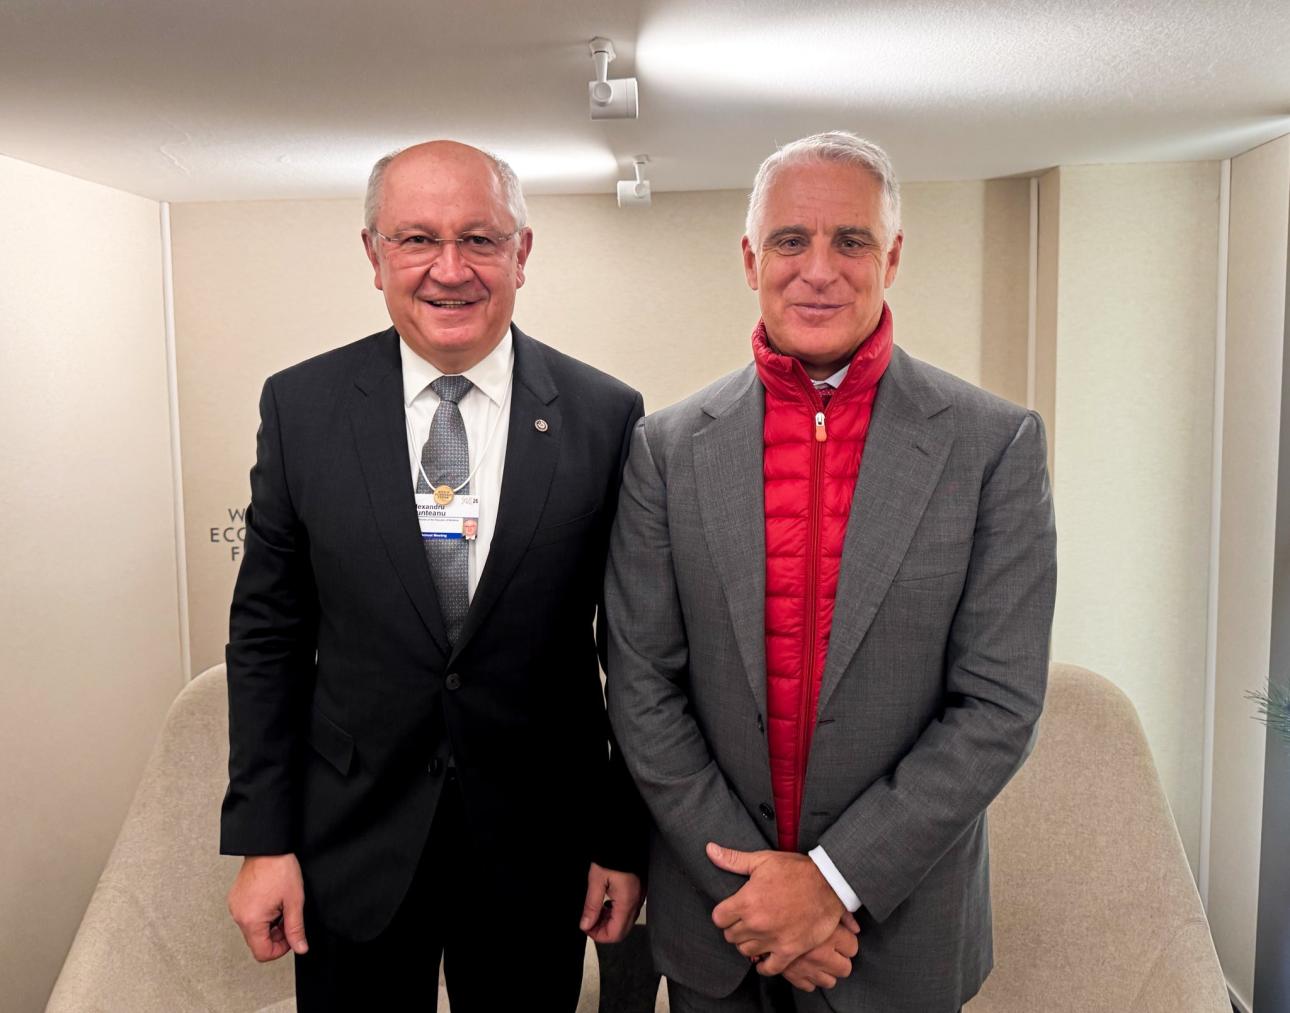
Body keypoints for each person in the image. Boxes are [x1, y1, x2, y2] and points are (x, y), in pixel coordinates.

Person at [604, 131, 1057, 1012]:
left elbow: (999, 705)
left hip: (896, 935)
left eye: (851, 240)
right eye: (790, 240)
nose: (819, 269)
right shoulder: (664, 448)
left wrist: (831, 882)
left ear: (892, 256)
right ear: (751, 259)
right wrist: (760, 896)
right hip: (719, 921)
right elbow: (642, 684)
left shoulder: (994, 445)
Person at [221, 140, 646, 1012]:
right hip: (351, 840)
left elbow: (636, 654)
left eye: (480, 239)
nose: (450, 269)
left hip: (538, 847)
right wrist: (264, 839)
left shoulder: (606, 416)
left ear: (522, 252)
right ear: (374, 254)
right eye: (417, 238)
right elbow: (267, 639)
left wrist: (622, 836)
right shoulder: (301, 409)